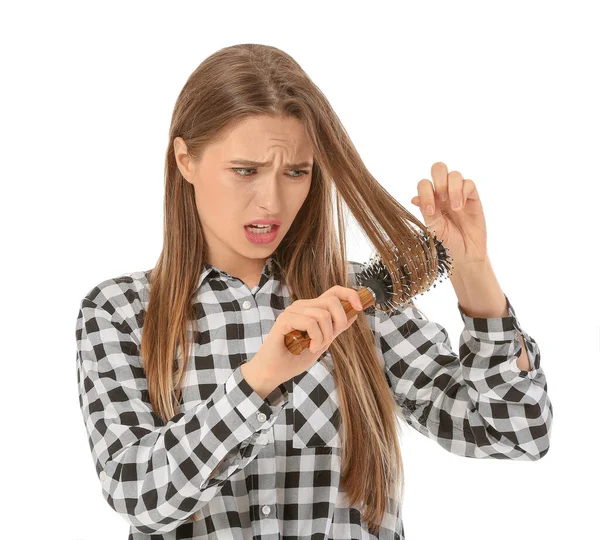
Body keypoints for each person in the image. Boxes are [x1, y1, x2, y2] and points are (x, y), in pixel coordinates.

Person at [75, 43, 553, 540]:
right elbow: (137, 495)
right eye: (246, 170)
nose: (272, 200)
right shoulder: (120, 312)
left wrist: (472, 270)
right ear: (185, 159)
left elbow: (517, 434)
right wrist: (261, 379)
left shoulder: (360, 304)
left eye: (296, 172)